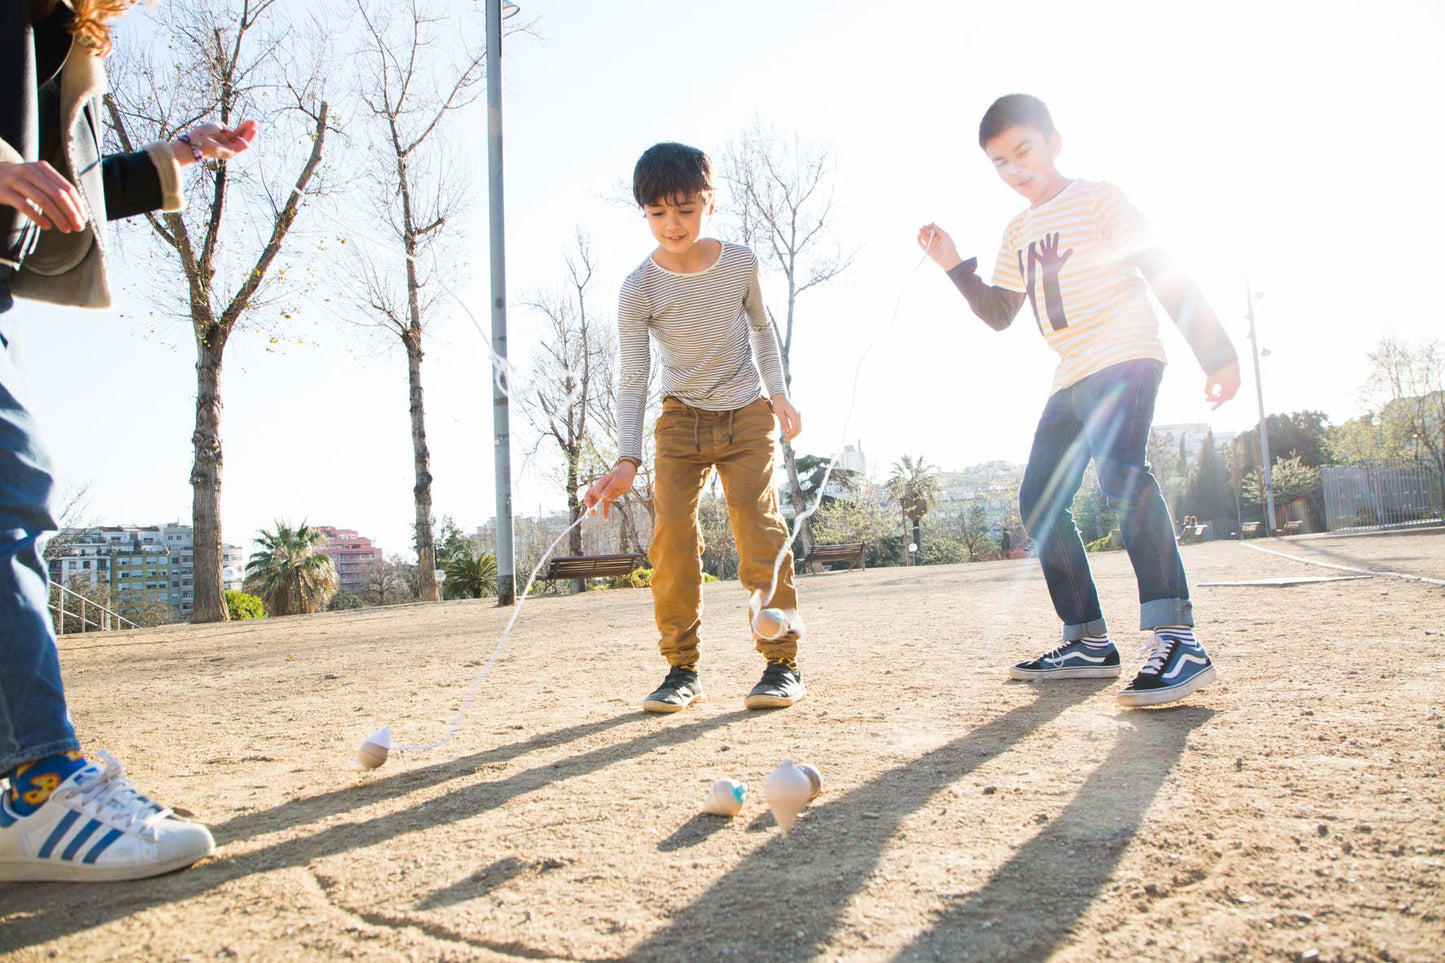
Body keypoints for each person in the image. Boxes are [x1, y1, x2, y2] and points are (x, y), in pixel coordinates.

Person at [1, 0, 257, 881]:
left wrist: (170, 160)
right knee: (7, 498)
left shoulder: (52, 27)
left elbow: (58, 184)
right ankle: (34, 781)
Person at [918, 94, 1240, 707]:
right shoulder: (1016, 230)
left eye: (1024, 151)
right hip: (1070, 375)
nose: (1015, 170)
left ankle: (1179, 637)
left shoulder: (1100, 198)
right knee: (1039, 496)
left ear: (1054, 142)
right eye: (999, 164)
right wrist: (954, 264)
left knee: (1121, 472)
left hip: (1126, 354)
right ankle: (1088, 639)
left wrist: (1216, 354)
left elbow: (1162, 268)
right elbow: (998, 314)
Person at [584, 142, 806, 714]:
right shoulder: (639, 288)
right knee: (673, 542)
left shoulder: (740, 263)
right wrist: (626, 458)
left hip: (746, 416)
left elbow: (762, 330)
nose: (672, 225)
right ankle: (681, 670)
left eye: (684, 209)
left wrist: (778, 392)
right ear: (644, 214)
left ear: (707, 200)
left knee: (757, 528)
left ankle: (780, 662)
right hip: (680, 421)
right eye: (657, 214)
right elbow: (633, 376)